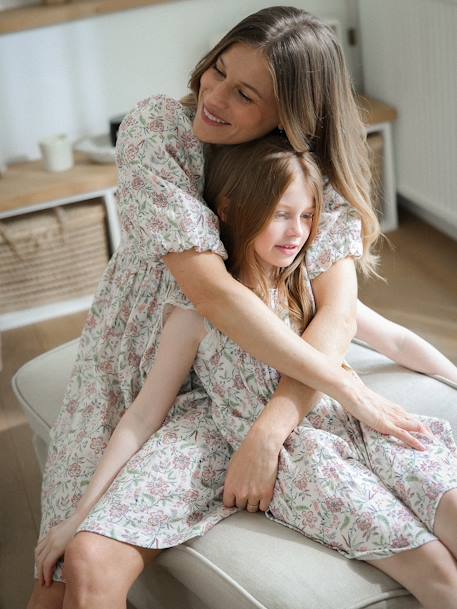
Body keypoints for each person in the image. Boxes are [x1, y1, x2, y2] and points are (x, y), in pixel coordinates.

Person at [26, 6, 444, 609]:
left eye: (244, 93)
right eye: (217, 70)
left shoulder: (301, 173)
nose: (213, 97)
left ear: (288, 120)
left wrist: (273, 426)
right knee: (57, 573)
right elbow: (210, 292)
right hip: (143, 354)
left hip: (242, 381)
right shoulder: (157, 129)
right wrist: (348, 389)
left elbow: (338, 314)